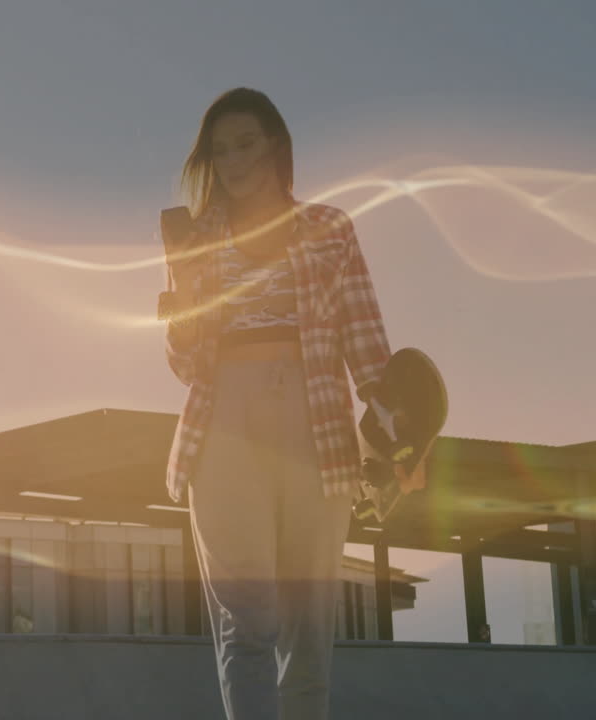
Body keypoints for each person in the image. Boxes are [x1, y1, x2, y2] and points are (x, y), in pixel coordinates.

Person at [158, 87, 425, 719]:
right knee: (245, 623)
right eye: (221, 150)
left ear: (276, 146)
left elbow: (365, 339)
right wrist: (183, 308)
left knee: (308, 631)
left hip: (317, 426)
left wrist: (401, 438)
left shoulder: (330, 229)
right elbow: (185, 364)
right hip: (222, 427)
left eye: (245, 142)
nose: (234, 159)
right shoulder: (195, 237)